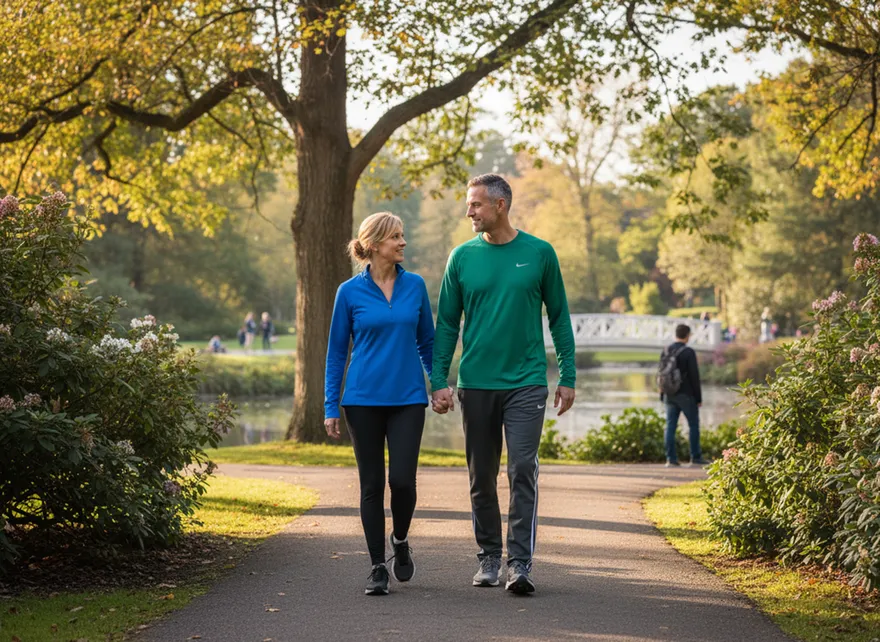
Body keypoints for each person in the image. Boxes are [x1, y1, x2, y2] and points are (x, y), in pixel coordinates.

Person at [430, 174, 576, 595]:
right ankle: (489, 556)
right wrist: (439, 379)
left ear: (500, 205)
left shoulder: (540, 253)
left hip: (527, 382)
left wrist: (567, 374)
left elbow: (560, 316)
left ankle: (521, 563)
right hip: (476, 383)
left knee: (522, 468)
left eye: (475, 205)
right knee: (481, 475)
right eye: (468, 204)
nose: (469, 212)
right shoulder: (461, 258)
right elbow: (446, 325)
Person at [324, 212, 435, 597]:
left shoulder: (415, 286)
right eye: (395, 238)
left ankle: (400, 539)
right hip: (362, 399)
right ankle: (376, 567)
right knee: (371, 485)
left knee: (402, 481)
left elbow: (428, 342)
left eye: (403, 236)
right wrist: (329, 405)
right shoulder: (349, 292)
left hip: (407, 397)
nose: (403, 243)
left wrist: (438, 385)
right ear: (373, 245)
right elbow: (337, 352)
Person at [659, 324, 710, 467]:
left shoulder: (666, 350)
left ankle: (671, 459)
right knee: (693, 425)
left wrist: (662, 393)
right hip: (686, 395)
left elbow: (661, 373)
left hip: (669, 394)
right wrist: (698, 398)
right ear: (687, 335)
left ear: (676, 334)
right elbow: (694, 376)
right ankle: (695, 457)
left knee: (670, 427)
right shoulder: (688, 352)